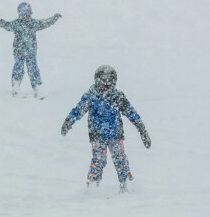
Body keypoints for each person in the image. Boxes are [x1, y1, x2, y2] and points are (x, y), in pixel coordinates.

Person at [61, 65, 151, 193]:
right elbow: (78, 110)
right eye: (104, 85)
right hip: (97, 135)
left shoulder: (118, 96)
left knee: (120, 159)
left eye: (110, 86)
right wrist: (68, 121)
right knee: (98, 160)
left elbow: (131, 113)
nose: (107, 89)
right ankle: (92, 186)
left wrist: (142, 130)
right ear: (97, 82)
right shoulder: (90, 96)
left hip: (115, 135)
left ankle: (126, 185)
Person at [0, 3, 62, 99]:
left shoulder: (34, 23)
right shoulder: (16, 24)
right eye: (23, 13)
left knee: (33, 68)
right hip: (19, 51)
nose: (25, 16)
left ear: (30, 13)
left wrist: (54, 18)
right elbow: (7, 25)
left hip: (31, 52)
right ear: (19, 14)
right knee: (18, 67)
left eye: (27, 13)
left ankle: (37, 88)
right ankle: (16, 86)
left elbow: (45, 23)